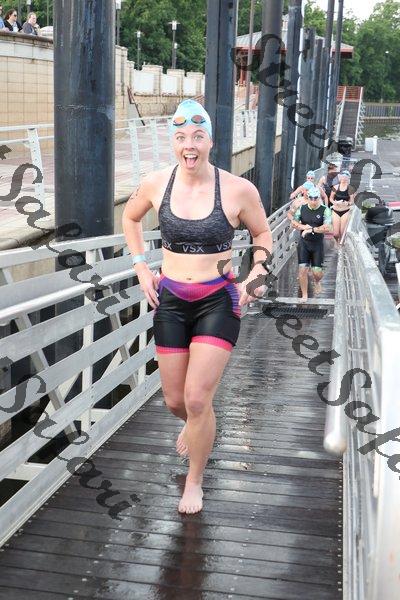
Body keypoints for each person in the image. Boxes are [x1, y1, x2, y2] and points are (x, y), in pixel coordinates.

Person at [122, 99, 273, 514]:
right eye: (181, 137)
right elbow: (130, 219)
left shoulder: (238, 189)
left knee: (196, 398)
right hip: (170, 299)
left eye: (197, 136)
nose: (189, 145)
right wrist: (140, 266)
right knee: (176, 401)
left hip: (218, 300)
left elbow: (262, 234)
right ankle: (198, 424)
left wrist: (257, 274)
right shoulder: (155, 184)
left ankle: (194, 480)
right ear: (173, 142)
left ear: (210, 141)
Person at [291, 186, 332, 301]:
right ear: (307, 198)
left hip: (317, 244)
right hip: (304, 243)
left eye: (316, 198)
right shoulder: (302, 208)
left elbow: (327, 227)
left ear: (319, 198)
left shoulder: (325, 210)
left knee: (317, 272)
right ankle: (304, 295)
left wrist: (311, 230)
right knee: (302, 269)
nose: (313, 201)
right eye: (311, 198)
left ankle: (317, 281)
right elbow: (293, 222)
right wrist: (303, 227)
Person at [329, 170, 355, 243]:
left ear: (348, 178)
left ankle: (341, 246)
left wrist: (348, 203)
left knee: (342, 232)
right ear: (340, 178)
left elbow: (352, 201)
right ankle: (337, 243)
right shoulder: (335, 187)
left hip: (345, 211)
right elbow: (330, 198)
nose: (344, 179)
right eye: (342, 177)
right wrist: (335, 202)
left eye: (345, 177)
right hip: (336, 210)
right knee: (336, 234)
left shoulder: (350, 188)